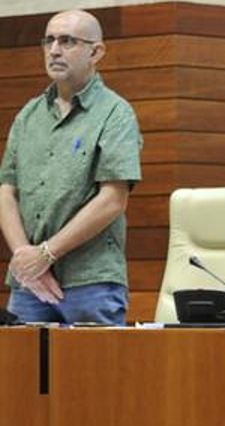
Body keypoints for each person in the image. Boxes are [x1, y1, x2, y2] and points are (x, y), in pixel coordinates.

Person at [0, 10, 142, 325]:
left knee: (94, 374)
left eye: (67, 41)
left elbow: (113, 200)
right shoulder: (28, 116)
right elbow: (6, 191)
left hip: (90, 281)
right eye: (49, 41)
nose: (54, 50)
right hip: (29, 284)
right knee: (20, 374)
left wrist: (47, 254)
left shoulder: (115, 114)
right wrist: (26, 257)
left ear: (96, 52)